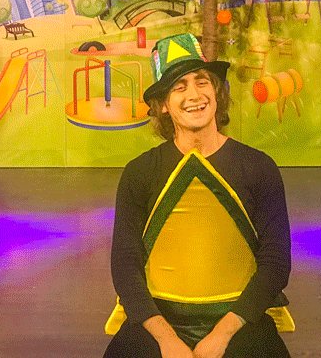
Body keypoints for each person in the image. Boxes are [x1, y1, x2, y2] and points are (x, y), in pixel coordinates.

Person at [104, 33, 293, 358]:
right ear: (163, 105)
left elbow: (276, 263)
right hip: (158, 320)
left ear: (216, 93)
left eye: (202, 82)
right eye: (179, 87)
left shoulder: (259, 168)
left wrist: (223, 333)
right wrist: (166, 340)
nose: (194, 94)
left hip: (239, 319)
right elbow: (125, 264)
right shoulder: (140, 173)